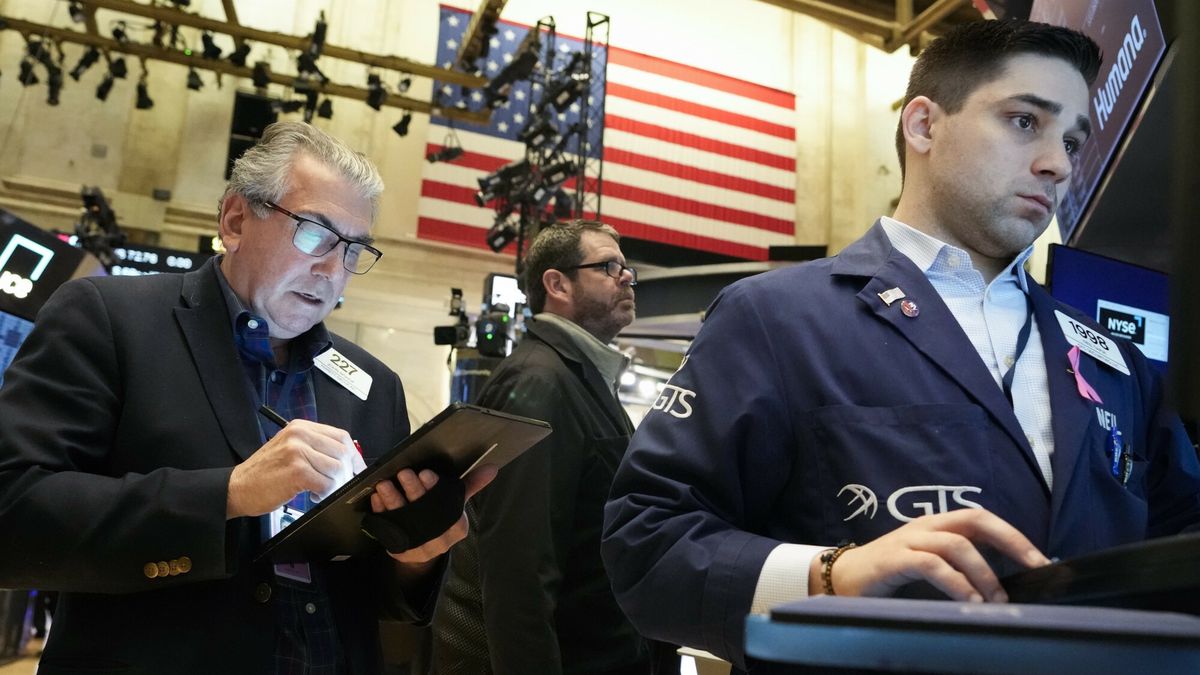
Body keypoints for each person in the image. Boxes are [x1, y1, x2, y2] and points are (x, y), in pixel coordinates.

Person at [601, 18, 1200, 672]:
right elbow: (648, 542)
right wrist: (834, 573)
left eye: (1073, 139)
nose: (1056, 162)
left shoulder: (1114, 363)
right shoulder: (777, 317)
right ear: (922, 126)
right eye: (1025, 121)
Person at [0, 121, 494, 674]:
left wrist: (416, 556)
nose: (333, 269)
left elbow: (374, 594)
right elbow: (14, 514)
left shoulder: (374, 385)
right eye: (314, 232)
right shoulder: (108, 318)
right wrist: (229, 494)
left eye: (354, 249)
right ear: (236, 220)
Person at [432, 221, 656, 674]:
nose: (627, 276)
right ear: (557, 284)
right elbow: (519, 569)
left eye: (625, 267)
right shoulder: (540, 381)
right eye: (609, 266)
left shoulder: (575, 376)